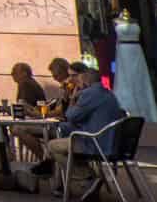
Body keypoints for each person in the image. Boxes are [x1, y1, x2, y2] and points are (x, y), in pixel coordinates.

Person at [36, 63, 125, 192]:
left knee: (52, 146)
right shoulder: (109, 94)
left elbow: (71, 116)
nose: (76, 80)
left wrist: (72, 99)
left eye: (77, 77)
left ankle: (87, 177)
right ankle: (56, 173)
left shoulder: (90, 94)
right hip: (112, 142)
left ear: (86, 79)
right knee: (64, 141)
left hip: (96, 143)